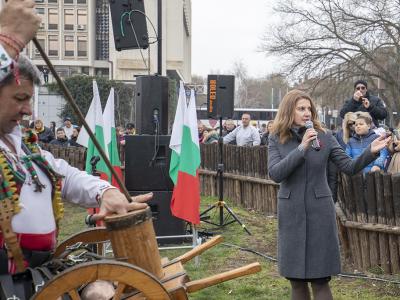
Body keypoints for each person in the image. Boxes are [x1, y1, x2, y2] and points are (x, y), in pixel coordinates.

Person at [0, 3, 152, 281]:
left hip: (39, 275)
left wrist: (105, 191)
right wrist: (6, 44)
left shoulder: (25, 149)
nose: (28, 111)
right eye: (19, 99)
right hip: (7, 282)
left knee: (103, 289)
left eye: (29, 100)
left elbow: (66, 176)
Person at [268, 90, 389, 300]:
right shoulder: (277, 138)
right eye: (301, 109)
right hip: (292, 213)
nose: (307, 113)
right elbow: (275, 174)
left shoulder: (324, 136)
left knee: (320, 279)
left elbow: (349, 167)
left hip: (320, 212)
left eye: (309, 108)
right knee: (296, 281)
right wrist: (302, 148)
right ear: (289, 110)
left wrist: (371, 151)